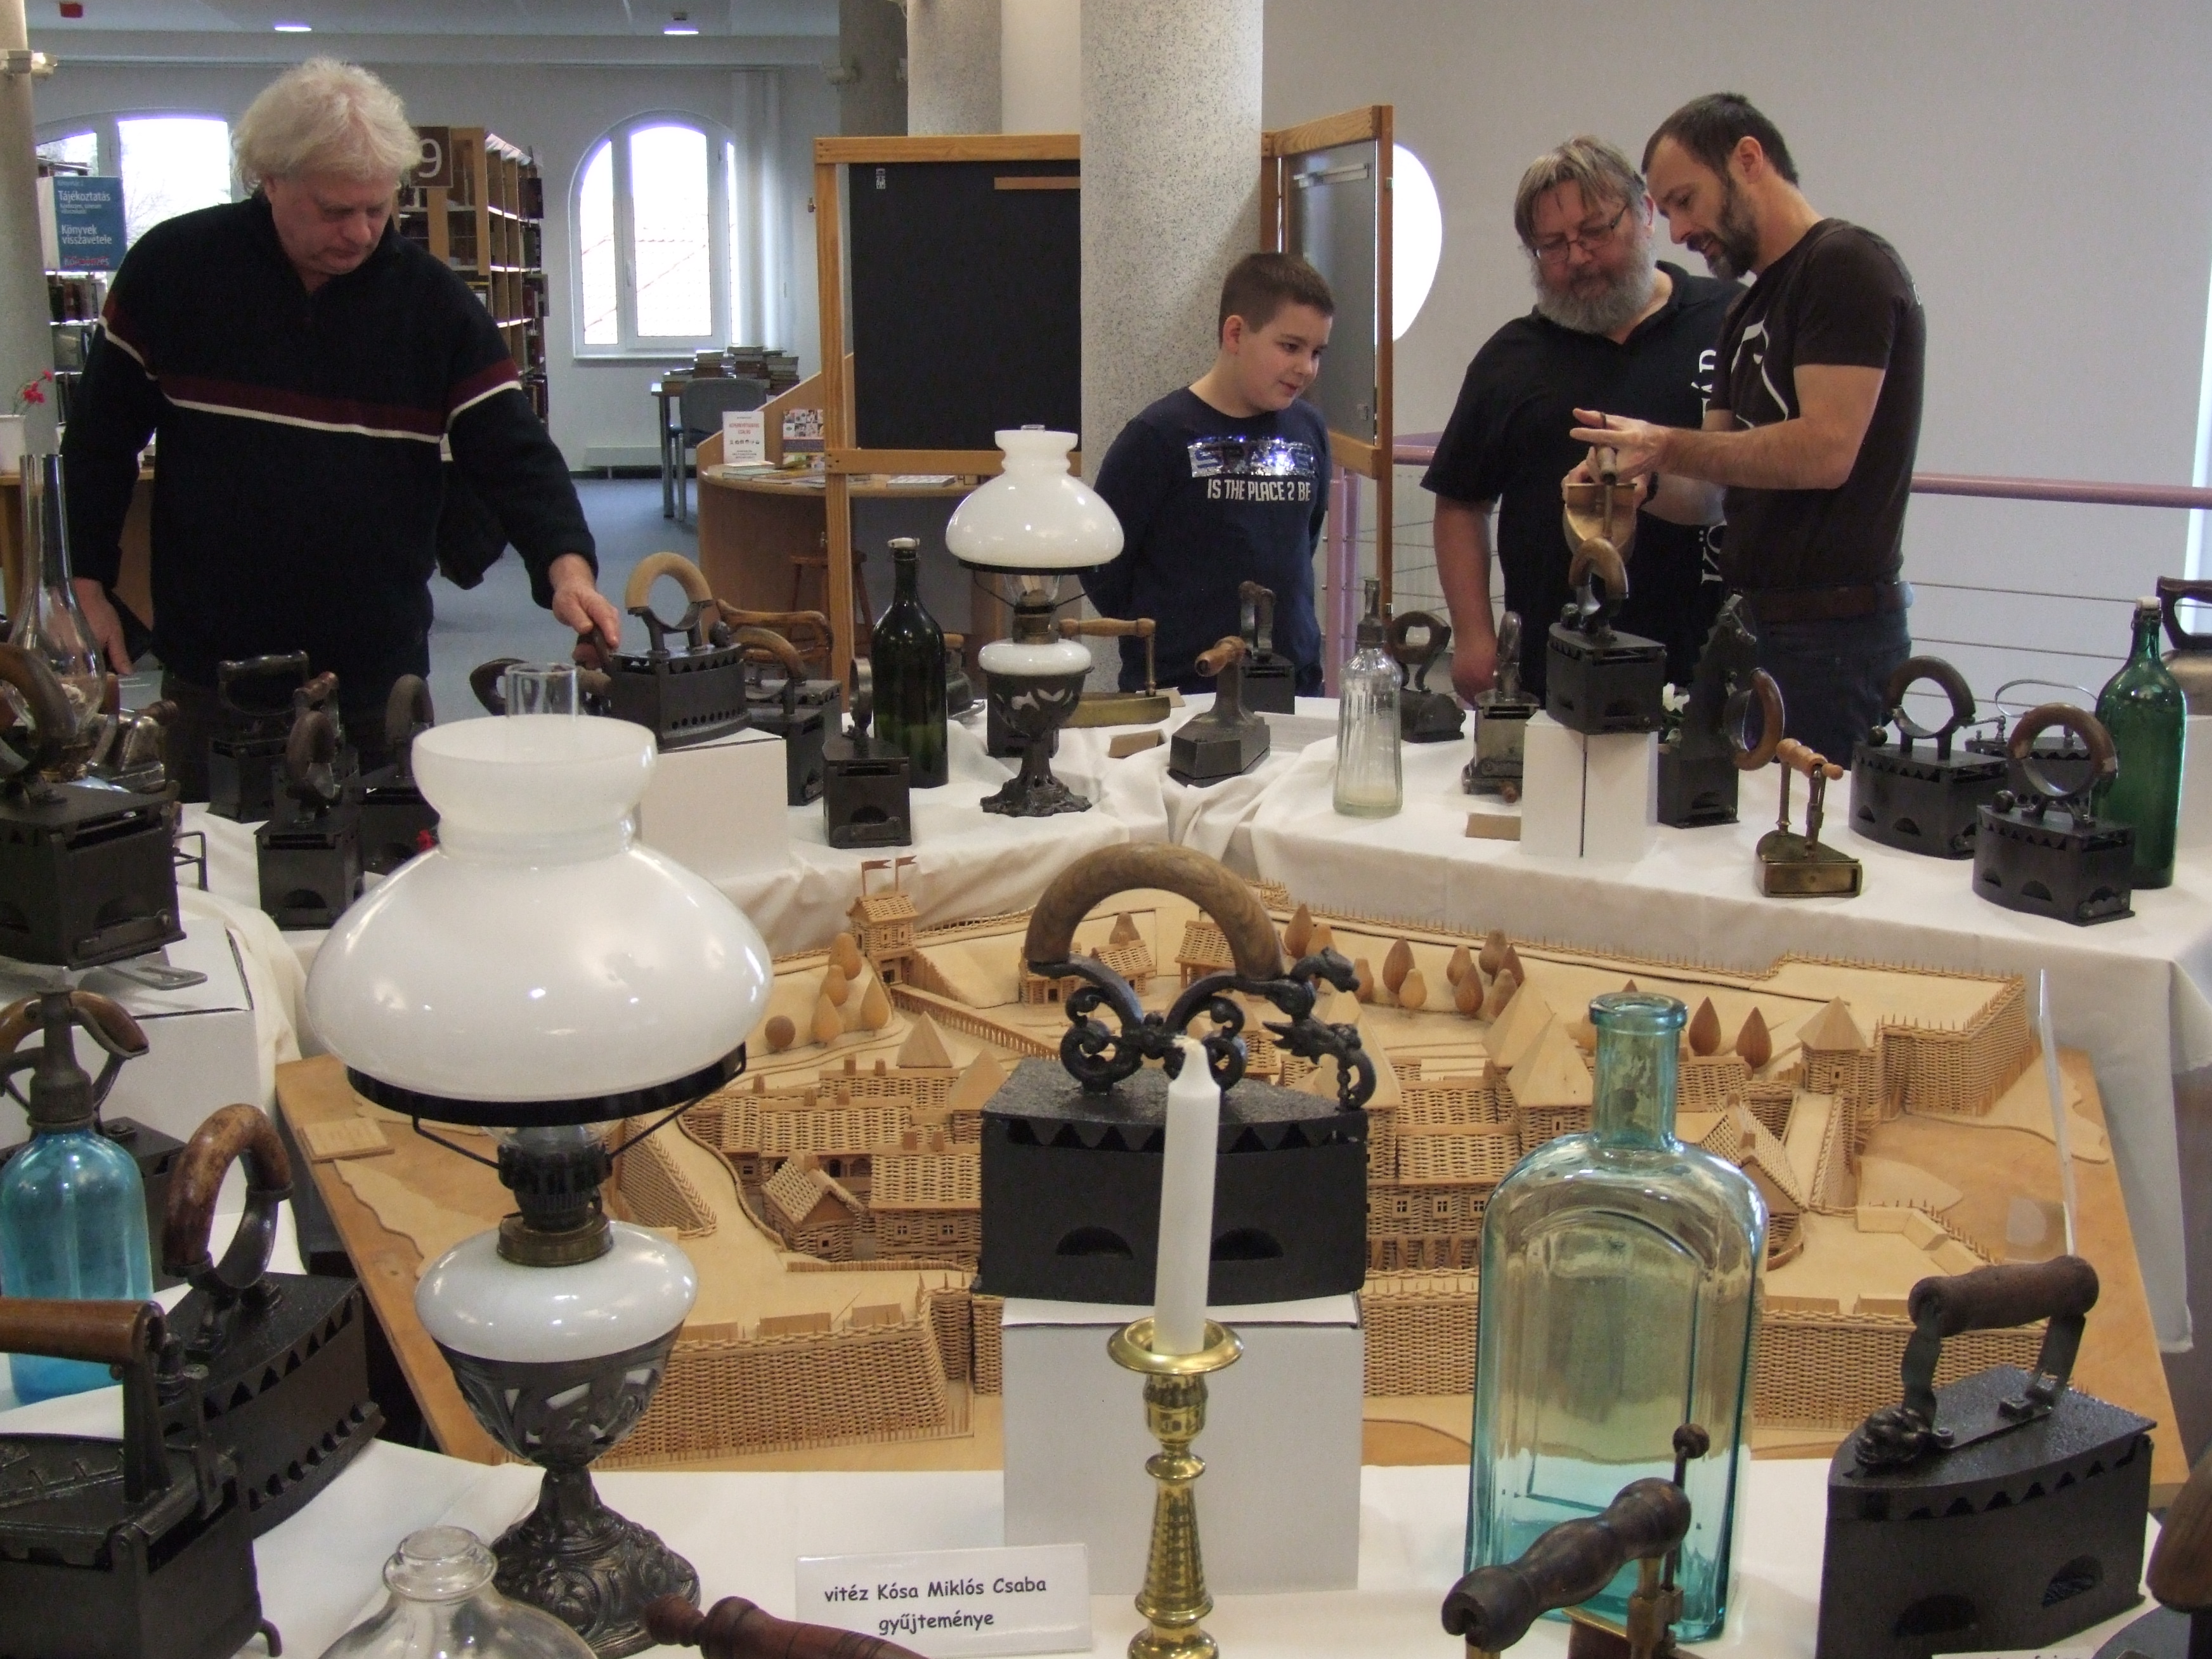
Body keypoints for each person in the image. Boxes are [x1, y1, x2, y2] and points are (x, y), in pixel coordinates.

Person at [64, 57, 620, 797]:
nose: (359, 232)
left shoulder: (434, 305)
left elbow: (516, 454)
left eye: (376, 209)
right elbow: (99, 441)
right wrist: (85, 581)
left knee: (383, 853)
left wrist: (566, 567)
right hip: (214, 667)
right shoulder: (173, 270)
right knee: (210, 853)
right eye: (333, 211)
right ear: (268, 179)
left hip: (375, 671)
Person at [1571, 93, 1925, 764]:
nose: (1679, 232)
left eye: (1685, 201)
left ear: (1748, 159)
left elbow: (1826, 451)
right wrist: (1640, 478)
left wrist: (1664, 443)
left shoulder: (1845, 266)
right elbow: (1712, 493)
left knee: (1805, 818)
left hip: (1833, 637)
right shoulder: (1744, 310)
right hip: (1751, 622)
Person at [1423, 136, 1732, 704]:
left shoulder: (1728, 321)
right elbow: (1461, 502)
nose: (1579, 258)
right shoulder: (1509, 360)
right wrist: (1473, 637)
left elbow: (1757, 476)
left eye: (1595, 232)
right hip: (1553, 674)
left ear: (1645, 214)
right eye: (1553, 246)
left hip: (1708, 666)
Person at [1086, 252, 1333, 695]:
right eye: (1290, 347)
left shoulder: (1309, 429)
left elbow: (1304, 538)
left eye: (1317, 353)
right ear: (1235, 334)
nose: (1306, 368)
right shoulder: (1158, 436)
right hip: (1182, 686)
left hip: (1292, 682)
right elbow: (1104, 565)